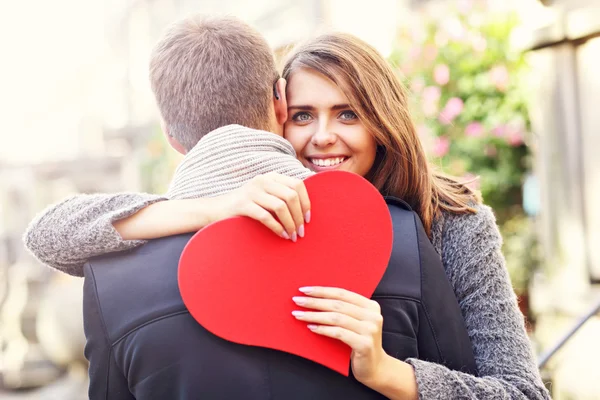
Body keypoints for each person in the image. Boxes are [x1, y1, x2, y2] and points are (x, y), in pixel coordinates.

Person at [23, 18, 550, 400]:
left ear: (382, 121)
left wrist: (390, 373)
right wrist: (207, 209)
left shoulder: (446, 225)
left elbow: (524, 394)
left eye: (347, 114)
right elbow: (50, 233)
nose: (323, 137)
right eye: (302, 116)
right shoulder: (255, 223)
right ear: (276, 116)